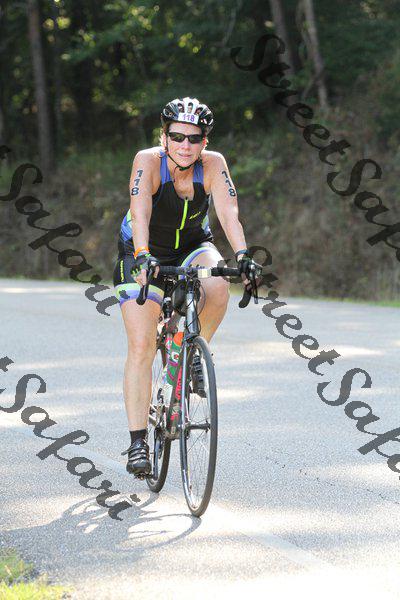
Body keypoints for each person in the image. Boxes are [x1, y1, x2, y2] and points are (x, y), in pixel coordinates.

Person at [113, 96, 260, 476]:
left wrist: (243, 255)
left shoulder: (213, 164)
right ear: (164, 137)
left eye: (194, 139)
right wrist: (143, 255)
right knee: (142, 345)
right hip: (142, 250)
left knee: (218, 284)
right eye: (177, 137)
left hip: (193, 246)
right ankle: (138, 442)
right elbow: (140, 211)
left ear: (204, 142)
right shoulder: (148, 161)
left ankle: (192, 349)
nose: (185, 145)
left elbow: (228, 212)